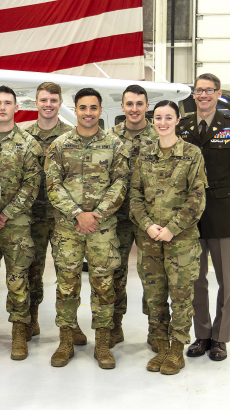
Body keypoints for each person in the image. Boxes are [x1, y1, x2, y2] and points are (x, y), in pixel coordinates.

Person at [45, 88, 129, 369]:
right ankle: (66, 340)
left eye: (94, 108)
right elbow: (52, 185)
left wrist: (97, 214)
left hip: (102, 229)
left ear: (99, 109)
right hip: (68, 228)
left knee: (103, 286)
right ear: (76, 109)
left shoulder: (114, 145)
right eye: (83, 108)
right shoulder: (59, 145)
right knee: (66, 286)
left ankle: (103, 342)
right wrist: (78, 214)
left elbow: (120, 183)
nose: (88, 113)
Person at [177, 73, 230, 362]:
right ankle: (203, 335)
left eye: (209, 90)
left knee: (228, 281)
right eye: (199, 90)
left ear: (218, 93)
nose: (204, 95)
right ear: (193, 94)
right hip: (190, 217)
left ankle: (221, 338)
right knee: (196, 280)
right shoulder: (182, 127)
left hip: (223, 213)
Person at [129, 101, 208, 375]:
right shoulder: (145, 154)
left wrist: (172, 228)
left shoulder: (191, 154)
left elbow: (197, 197)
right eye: (158, 118)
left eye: (168, 118)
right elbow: (135, 196)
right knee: (154, 294)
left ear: (177, 121)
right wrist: (149, 225)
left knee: (181, 294)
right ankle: (161, 344)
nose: (162, 122)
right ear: (153, 121)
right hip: (149, 238)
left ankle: (177, 348)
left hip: (181, 239)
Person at [0, 86, 42, 360]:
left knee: (17, 279)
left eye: (8, 103)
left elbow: (31, 184)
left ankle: (19, 332)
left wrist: (7, 213)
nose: (2, 107)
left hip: (16, 224)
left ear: (16, 108)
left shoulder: (27, 143)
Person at [24, 82, 88, 344]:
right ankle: (31, 318)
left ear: (60, 103)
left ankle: (70, 325)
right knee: (32, 271)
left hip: (64, 217)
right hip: (33, 215)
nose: (48, 104)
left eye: (53, 100)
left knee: (68, 272)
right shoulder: (25, 136)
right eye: (43, 100)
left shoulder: (72, 136)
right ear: (36, 103)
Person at [109, 85, 158, 348]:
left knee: (152, 275)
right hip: (118, 217)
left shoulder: (158, 133)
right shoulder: (112, 136)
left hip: (150, 217)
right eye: (130, 104)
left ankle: (155, 329)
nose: (134, 109)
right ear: (123, 107)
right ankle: (115, 326)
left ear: (147, 106)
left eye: (139, 104)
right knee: (116, 272)